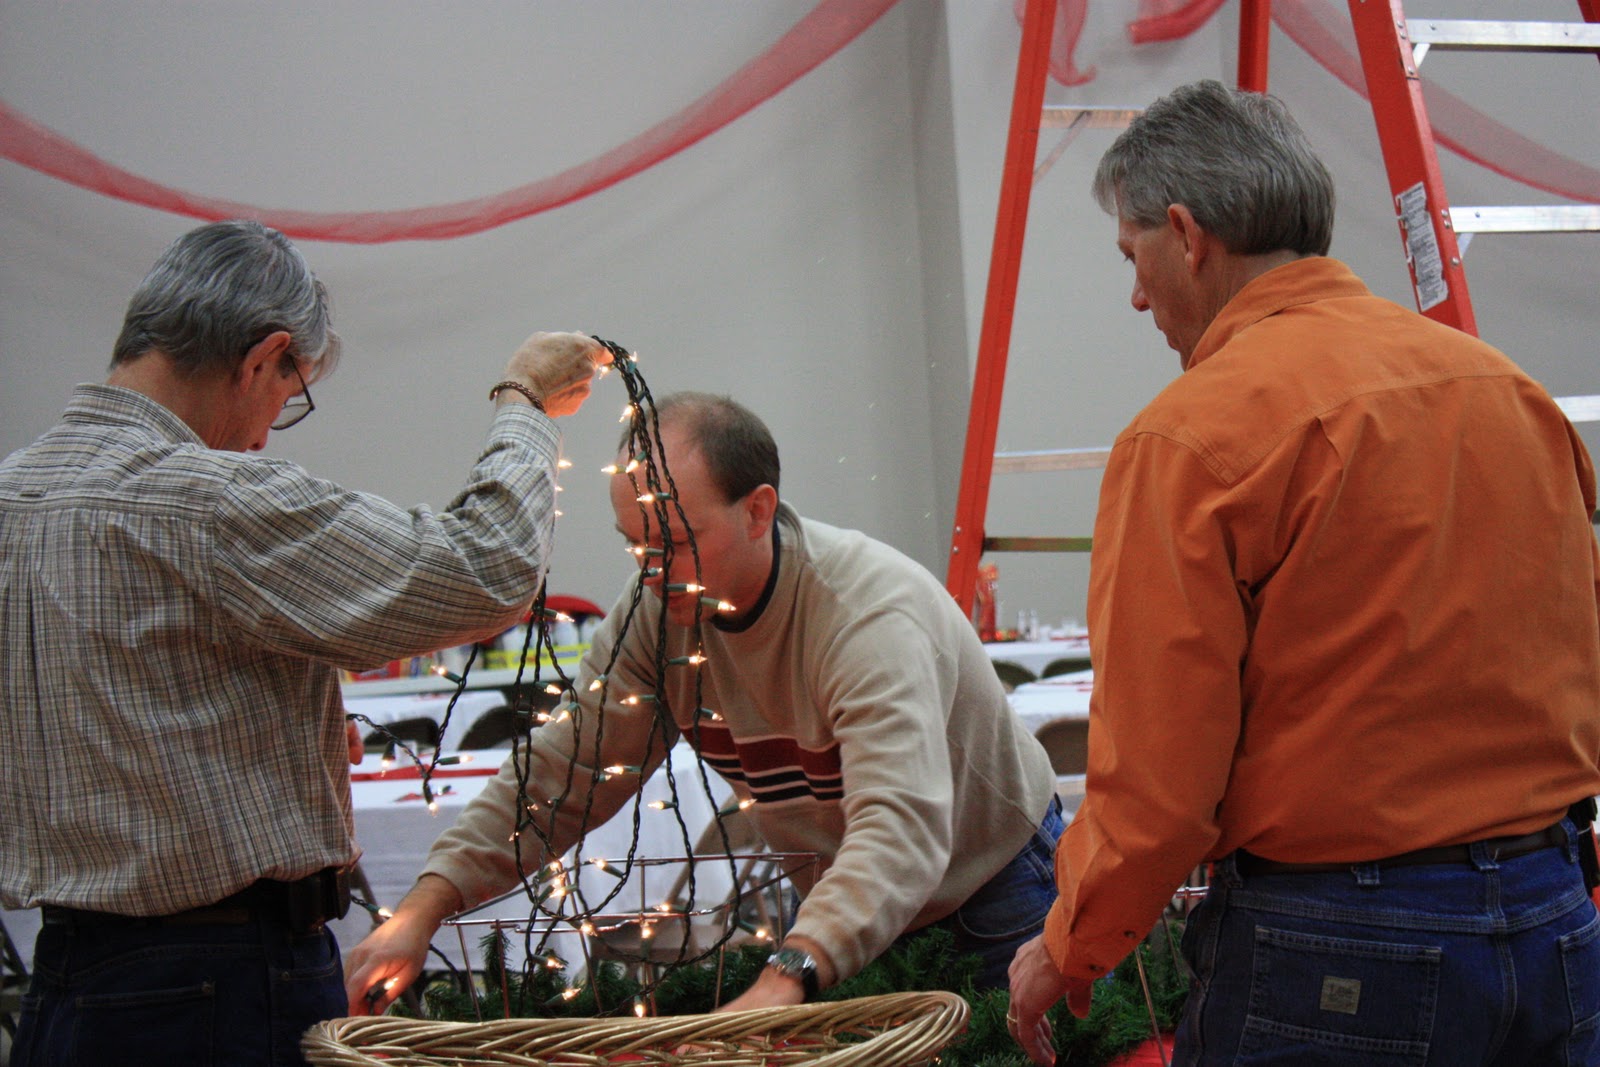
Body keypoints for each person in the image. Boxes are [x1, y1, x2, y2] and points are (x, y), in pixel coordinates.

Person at [1006, 79, 1600, 1066]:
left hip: (1341, 944)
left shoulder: (1191, 435)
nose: (1138, 295)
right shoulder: (1511, 394)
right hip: (1556, 920)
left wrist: (1068, 944)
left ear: (1188, 235)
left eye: (1134, 256)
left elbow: (1157, 785)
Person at [0, 218, 611, 1066]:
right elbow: (487, 566)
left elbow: (114, 717)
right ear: (263, 357)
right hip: (218, 989)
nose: (261, 438)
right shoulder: (204, 498)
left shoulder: (12, 496)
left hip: (62, 982)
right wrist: (525, 404)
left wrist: (271, 751)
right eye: (285, 401)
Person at [345, 391, 1061, 1014]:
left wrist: (793, 969)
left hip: (992, 883)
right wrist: (423, 908)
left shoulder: (863, 616)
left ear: (758, 511)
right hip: (854, 905)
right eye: (634, 546)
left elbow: (900, 829)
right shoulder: (656, 618)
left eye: (674, 544)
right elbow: (561, 777)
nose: (652, 573)